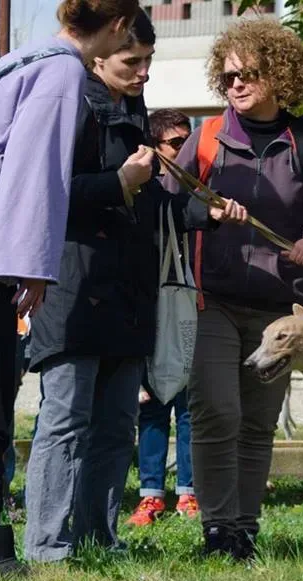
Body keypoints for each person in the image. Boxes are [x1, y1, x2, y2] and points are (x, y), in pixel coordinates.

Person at [0, 0, 139, 575]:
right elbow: (36, 172)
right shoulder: (63, 69)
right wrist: (34, 265)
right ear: (118, 25)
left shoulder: (23, 56)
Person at [22, 10, 247, 563]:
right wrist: (118, 181)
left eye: (149, 60)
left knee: (117, 426)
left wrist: (205, 212)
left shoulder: (132, 108)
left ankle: (97, 537)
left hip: (128, 295)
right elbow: (45, 191)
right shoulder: (67, 101)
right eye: (132, 60)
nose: (144, 71)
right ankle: (47, 545)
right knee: (65, 422)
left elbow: (150, 204)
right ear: (98, 54)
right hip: (74, 289)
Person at [165, 19, 303, 561]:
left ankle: (244, 531)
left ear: (280, 76)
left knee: (256, 424)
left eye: (247, 74)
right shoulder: (205, 137)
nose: (235, 85)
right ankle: (216, 529)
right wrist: (206, 212)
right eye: (227, 77)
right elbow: (168, 202)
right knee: (216, 413)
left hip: (278, 311)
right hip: (212, 301)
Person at [126, 108, 199, 527]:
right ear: (154, 147)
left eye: (189, 141)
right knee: (153, 404)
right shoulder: (145, 192)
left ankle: (189, 492)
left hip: (190, 307)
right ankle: (150, 494)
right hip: (152, 308)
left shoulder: (200, 188)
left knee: (189, 408)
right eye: (175, 143)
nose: (184, 150)